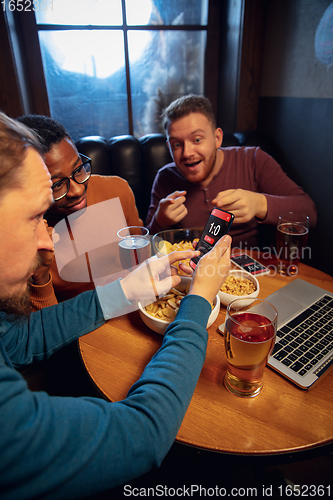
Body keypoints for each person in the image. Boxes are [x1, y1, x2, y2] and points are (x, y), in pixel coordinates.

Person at [0, 111, 231, 499]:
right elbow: (140, 436)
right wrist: (198, 301)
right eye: (36, 217)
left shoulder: (114, 191)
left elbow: (19, 339)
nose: (48, 239)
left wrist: (127, 289)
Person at [145, 95, 317, 249]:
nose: (187, 152)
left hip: (248, 270)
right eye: (177, 144)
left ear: (217, 138)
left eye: (197, 139)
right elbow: (145, 245)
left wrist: (259, 203)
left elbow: (309, 212)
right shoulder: (165, 177)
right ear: (169, 146)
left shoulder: (253, 160)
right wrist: (160, 221)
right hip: (192, 268)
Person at [17, 114, 143, 309]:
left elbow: (143, 255)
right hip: (79, 330)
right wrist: (40, 276)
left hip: (134, 310)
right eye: (57, 184)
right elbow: (43, 330)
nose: (77, 190)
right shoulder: (28, 235)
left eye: (78, 170)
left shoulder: (118, 190)